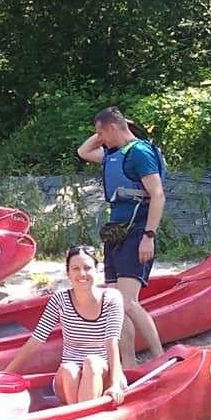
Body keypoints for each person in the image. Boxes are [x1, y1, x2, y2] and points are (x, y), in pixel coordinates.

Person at [77, 106, 165, 368]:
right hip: (116, 233)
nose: (99, 139)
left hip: (137, 232)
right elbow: (83, 151)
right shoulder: (113, 154)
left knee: (128, 303)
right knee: (115, 304)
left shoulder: (139, 153)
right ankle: (128, 364)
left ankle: (160, 358)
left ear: (114, 128)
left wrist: (149, 236)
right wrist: (109, 127)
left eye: (102, 133)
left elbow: (158, 195)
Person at [5, 245, 127, 405]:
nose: (82, 274)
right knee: (70, 369)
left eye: (87, 268)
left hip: (103, 373)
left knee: (92, 362)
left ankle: (82, 412)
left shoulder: (112, 298)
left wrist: (115, 384)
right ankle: (79, 412)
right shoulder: (60, 299)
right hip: (68, 378)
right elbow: (37, 339)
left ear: (97, 269)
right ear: (68, 272)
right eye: (75, 268)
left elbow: (112, 342)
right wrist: (7, 373)